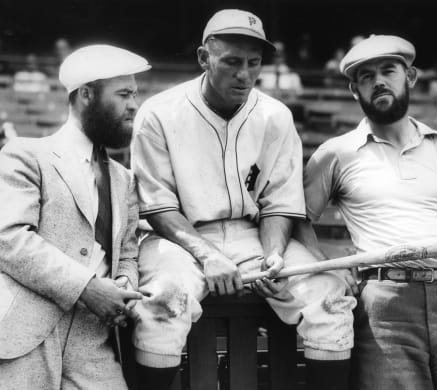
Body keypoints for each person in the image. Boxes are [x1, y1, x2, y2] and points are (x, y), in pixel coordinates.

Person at [131, 9, 356, 390]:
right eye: (232, 62)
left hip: (251, 235)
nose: (245, 74)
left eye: (254, 63)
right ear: (204, 58)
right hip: (177, 238)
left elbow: (280, 203)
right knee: (165, 302)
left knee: (329, 298)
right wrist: (208, 255)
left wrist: (274, 256)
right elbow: (158, 206)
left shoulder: (275, 116)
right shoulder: (158, 112)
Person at [302, 34, 437, 389]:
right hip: (385, 303)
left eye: (388, 71)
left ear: (410, 77)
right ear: (354, 90)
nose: (379, 81)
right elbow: (298, 222)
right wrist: (329, 271)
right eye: (366, 77)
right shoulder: (335, 153)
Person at [0, 44, 151, 389]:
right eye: (124, 94)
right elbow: (9, 238)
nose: (133, 105)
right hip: (27, 332)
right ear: (86, 95)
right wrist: (87, 288)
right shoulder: (26, 154)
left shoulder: (124, 178)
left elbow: (127, 252)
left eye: (135, 94)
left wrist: (124, 286)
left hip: (93, 337)